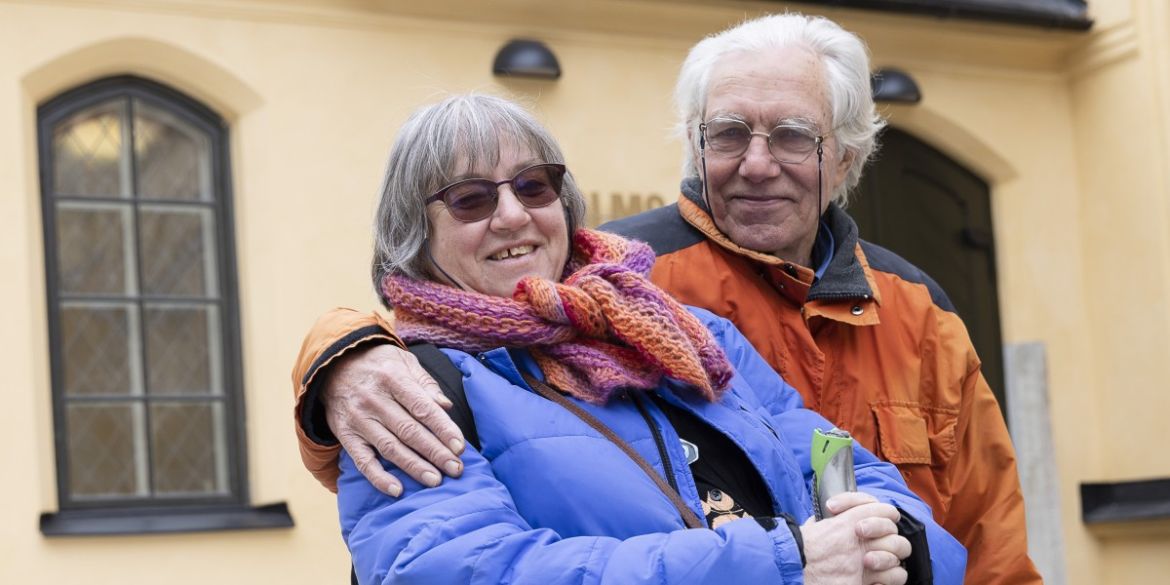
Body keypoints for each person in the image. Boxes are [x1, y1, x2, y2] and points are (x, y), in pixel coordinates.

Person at [293, 13, 1039, 584]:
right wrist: (339, 355)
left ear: (844, 155)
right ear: (693, 145)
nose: (757, 164)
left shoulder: (666, 321)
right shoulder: (417, 387)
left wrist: (892, 544)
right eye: (468, 198)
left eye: (533, 186)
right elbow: (465, 563)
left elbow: (969, 521)